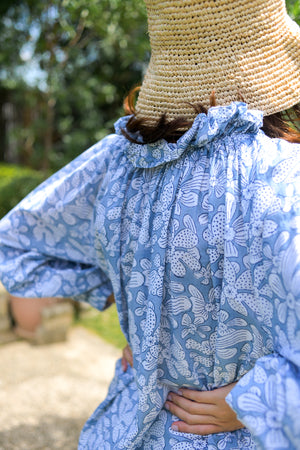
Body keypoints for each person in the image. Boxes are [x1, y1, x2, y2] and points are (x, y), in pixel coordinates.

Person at [0, 0, 300, 448]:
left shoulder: (116, 165)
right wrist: (262, 399)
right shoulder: (284, 175)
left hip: (132, 429)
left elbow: (17, 244)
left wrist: (143, 322)